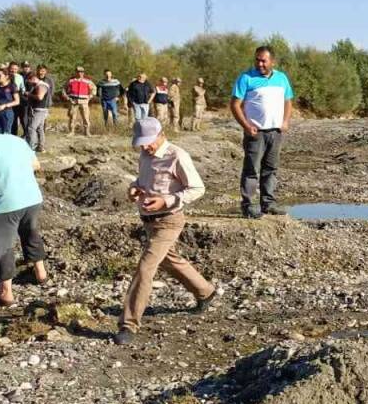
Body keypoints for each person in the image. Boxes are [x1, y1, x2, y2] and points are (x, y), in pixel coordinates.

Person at [115, 117, 217, 345]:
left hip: (170, 220)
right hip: (148, 221)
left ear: (160, 134)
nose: (144, 147)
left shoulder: (177, 155)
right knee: (170, 260)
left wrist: (167, 200)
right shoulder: (144, 155)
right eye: (141, 143)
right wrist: (134, 188)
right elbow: (142, 180)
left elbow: (198, 188)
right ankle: (205, 291)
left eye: (148, 142)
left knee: (145, 267)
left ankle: (128, 324)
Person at [0, 113, 48, 306]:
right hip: (32, 198)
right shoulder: (15, 139)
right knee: (31, 233)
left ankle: (6, 293)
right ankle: (41, 274)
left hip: (4, 204)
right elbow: (36, 165)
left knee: (1, 245)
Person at [231, 45, 294, 218]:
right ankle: (248, 205)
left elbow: (288, 101)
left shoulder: (281, 78)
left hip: (276, 132)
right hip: (255, 132)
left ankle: (268, 203)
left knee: (271, 168)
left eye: (263, 61)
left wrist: (286, 121)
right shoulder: (246, 78)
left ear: (272, 61)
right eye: (257, 60)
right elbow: (235, 104)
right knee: (252, 169)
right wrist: (246, 126)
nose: (260, 64)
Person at [23, 67, 51, 152]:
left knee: (31, 128)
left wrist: (29, 94)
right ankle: (41, 146)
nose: (28, 82)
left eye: (29, 80)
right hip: (41, 110)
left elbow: (40, 97)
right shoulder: (40, 85)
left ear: (34, 78)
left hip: (39, 110)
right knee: (40, 128)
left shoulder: (41, 86)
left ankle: (31, 147)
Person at [0, 68, 21, 135]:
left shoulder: (12, 86)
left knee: (6, 133)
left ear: (6, 76)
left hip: (7, 112)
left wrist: (5, 105)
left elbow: (17, 101)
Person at [66, 66, 95, 136]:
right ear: (75, 72)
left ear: (83, 73)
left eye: (81, 72)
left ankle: (87, 132)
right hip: (73, 101)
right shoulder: (71, 81)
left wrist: (89, 97)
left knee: (86, 117)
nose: (80, 73)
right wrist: (67, 97)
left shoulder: (87, 81)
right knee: (72, 117)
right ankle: (71, 132)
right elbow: (64, 89)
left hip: (84, 101)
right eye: (78, 71)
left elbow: (94, 89)